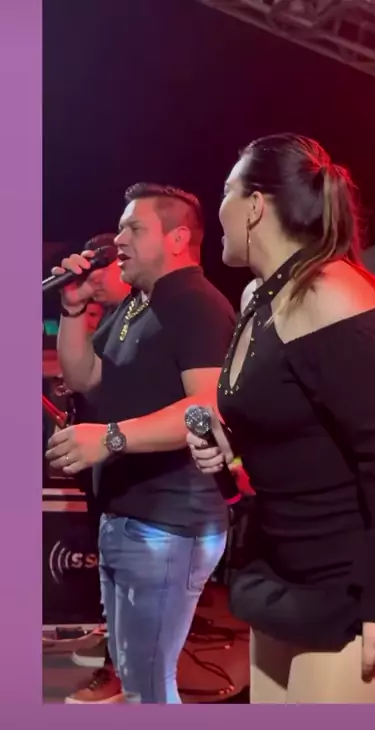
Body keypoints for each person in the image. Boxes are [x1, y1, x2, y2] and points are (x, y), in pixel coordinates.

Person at [187, 133, 375, 704]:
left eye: (227, 191)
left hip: (352, 584)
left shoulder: (332, 293)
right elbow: (298, 426)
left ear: (256, 206)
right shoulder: (258, 297)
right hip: (285, 570)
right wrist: (229, 449)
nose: (219, 207)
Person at [46, 183, 236, 703]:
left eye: (133, 228)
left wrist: (109, 438)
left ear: (177, 238)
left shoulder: (195, 304)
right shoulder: (135, 305)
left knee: (149, 687)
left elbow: (207, 409)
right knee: (134, 679)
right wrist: (71, 311)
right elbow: (85, 377)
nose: (119, 240)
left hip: (169, 524)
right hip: (129, 516)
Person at [62, 233, 131, 704]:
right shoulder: (111, 320)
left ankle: (119, 670)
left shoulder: (150, 318)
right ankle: (114, 650)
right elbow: (83, 380)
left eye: (103, 266)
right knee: (110, 569)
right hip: (102, 465)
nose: (95, 278)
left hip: (136, 471)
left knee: (129, 578)